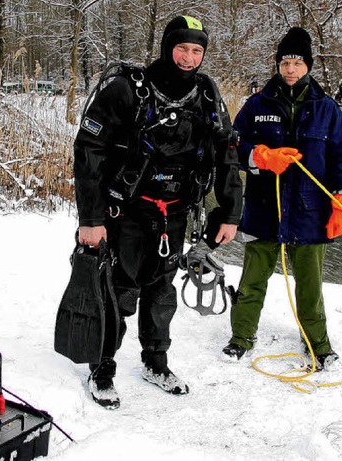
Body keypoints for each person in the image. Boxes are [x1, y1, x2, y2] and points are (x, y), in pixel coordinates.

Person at [73, 15, 242, 409]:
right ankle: (102, 366)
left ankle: (156, 361)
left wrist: (231, 212)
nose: (188, 58)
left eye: (196, 50)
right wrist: (90, 219)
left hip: (175, 213)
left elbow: (227, 155)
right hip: (125, 212)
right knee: (118, 290)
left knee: (162, 291)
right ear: (167, 47)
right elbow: (89, 153)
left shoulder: (206, 94)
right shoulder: (126, 89)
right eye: (181, 48)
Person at [221, 27, 342, 370]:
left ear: (308, 65)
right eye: (285, 63)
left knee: (310, 288)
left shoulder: (327, 109)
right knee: (252, 280)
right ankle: (241, 337)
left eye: (297, 62)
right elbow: (232, 148)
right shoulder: (256, 106)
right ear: (278, 66)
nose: (291, 70)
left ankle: (318, 343)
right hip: (264, 209)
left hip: (310, 212)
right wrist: (260, 156)